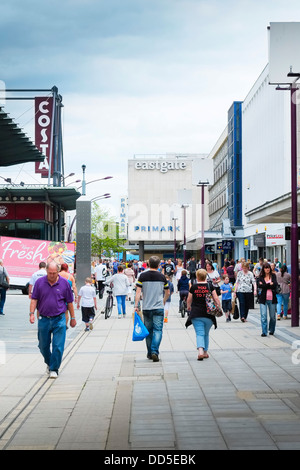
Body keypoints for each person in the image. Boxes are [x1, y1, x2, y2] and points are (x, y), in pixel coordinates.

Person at [29, 261, 76, 379]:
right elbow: (34, 299)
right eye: (50, 273)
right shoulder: (40, 283)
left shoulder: (65, 283)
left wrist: (73, 318)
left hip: (59, 319)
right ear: (46, 271)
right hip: (44, 319)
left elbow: (69, 302)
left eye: (54, 273)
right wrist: (31, 314)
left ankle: (54, 369)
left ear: (58, 271)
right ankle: (50, 363)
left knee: (58, 346)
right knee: (43, 346)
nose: (52, 275)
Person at [135, 255, 170, 362]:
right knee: (158, 330)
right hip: (159, 307)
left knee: (148, 331)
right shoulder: (162, 277)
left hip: (147, 307)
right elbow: (167, 292)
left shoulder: (142, 276)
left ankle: (150, 353)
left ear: (148, 264)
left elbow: (138, 292)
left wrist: (136, 306)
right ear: (159, 265)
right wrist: (163, 301)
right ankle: (155, 351)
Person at [186, 269, 220, 361]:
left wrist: (188, 307)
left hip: (196, 313)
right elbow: (216, 298)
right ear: (205, 276)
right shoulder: (210, 286)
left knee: (199, 333)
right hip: (209, 314)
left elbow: (189, 299)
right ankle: (205, 352)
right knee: (206, 333)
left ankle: (200, 351)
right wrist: (218, 307)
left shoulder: (193, 287)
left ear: (197, 277)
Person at [257, 262, 278, 337]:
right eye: (266, 268)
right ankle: (264, 332)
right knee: (263, 316)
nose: (267, 269)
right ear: (263, 269)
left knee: (272, 317)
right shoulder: (261, 277)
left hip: (272, 299)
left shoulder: (273, 275)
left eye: (268, 268)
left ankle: (271, 330)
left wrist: (265, 285)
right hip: (263, 299)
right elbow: (260, 285)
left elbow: (275, 284)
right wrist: (269, 285)